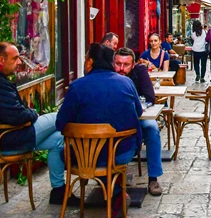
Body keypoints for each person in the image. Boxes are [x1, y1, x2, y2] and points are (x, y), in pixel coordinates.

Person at [0, 42, 79, 206]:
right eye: (15, 58)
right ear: (1, 60)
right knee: (60, 116)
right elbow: (18, 116)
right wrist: (34, 113)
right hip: (6, 139)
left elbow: (14, 113)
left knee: (59, 139)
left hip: (10, 136)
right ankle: (88, 141)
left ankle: (59, 192)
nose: (19, 62)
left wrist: (29, 114)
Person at [56, 43, 142, 215]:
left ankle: (115, 191)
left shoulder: (77, 87)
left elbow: (61, 123)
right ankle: (116, 190)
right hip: (122, 151)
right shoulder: (126, 83)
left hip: (85, 155)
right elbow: (138, 111)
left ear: (90, 62)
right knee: (106, 155)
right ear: (112, 63)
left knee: (64, 152)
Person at [113, 48, 163, 196]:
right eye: (118, 64)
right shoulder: (109, 75)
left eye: (126, 65)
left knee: (152, 128)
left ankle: (153, 178)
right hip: (114, 119)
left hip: (137, 116)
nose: (121, 68)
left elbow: (150, 97)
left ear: (133, 64)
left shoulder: (139, 71)